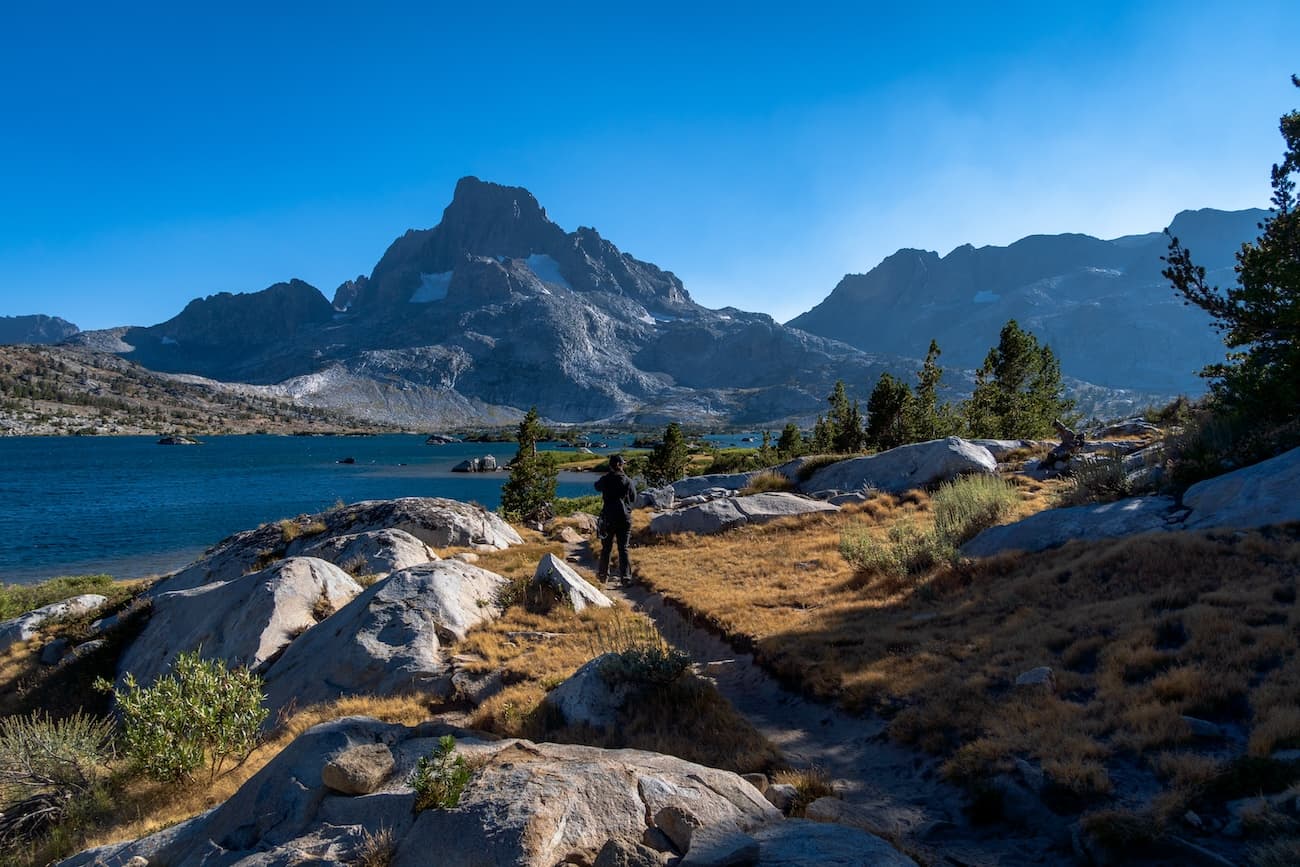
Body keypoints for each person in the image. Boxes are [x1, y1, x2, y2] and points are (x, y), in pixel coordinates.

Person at [594, 454, 636, 582]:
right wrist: (627, 509)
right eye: (622, 463)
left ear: (611, 466)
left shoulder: (605, 479)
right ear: (620, 465)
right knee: (623, 548)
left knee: (606, 548)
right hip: (624, 518)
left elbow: (596, 487)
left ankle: (603, 576)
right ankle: (626, 577)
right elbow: (634, 497)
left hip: (608, 518)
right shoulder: (627, 481)